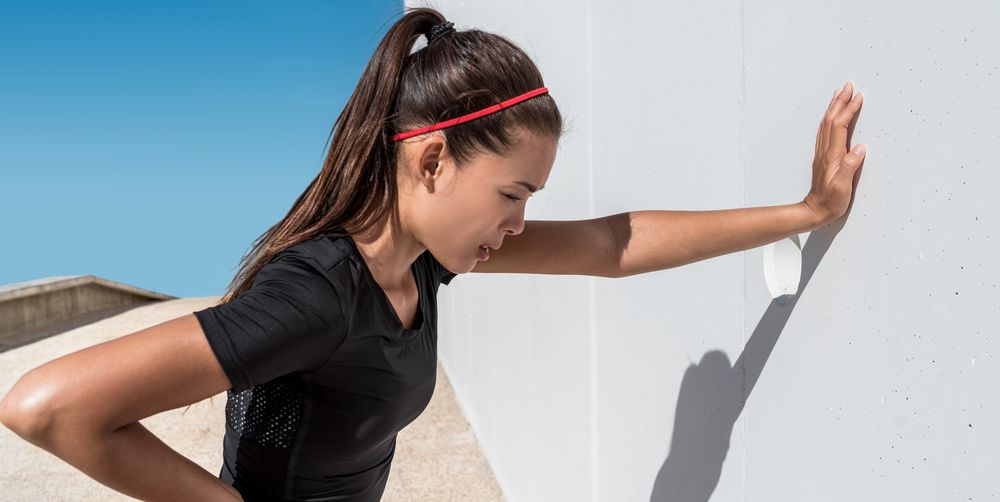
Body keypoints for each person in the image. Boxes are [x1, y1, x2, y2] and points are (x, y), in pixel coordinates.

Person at [0, 6, 867, 502]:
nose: (520, 224)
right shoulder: (319, 294)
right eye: (513, 194)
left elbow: (612, 243)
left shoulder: (420, 260)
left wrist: (807, 209)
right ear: (431, 159)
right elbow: (45, 406)